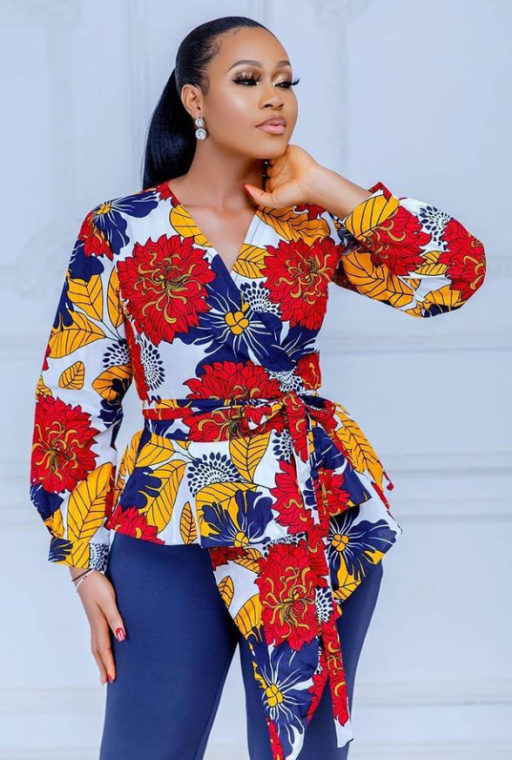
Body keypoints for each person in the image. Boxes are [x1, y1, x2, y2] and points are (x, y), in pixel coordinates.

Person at [29, 14, 487, 760]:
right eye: (248, 81)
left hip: (309, 510)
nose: (275, 98)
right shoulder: (120, 230)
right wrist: (82, 562)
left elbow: (454, 275)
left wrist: (328, 188)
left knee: (304, 752)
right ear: (194, 100)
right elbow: (72, 402)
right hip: (168, 519)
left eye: (285, 82)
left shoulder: (308, 222)